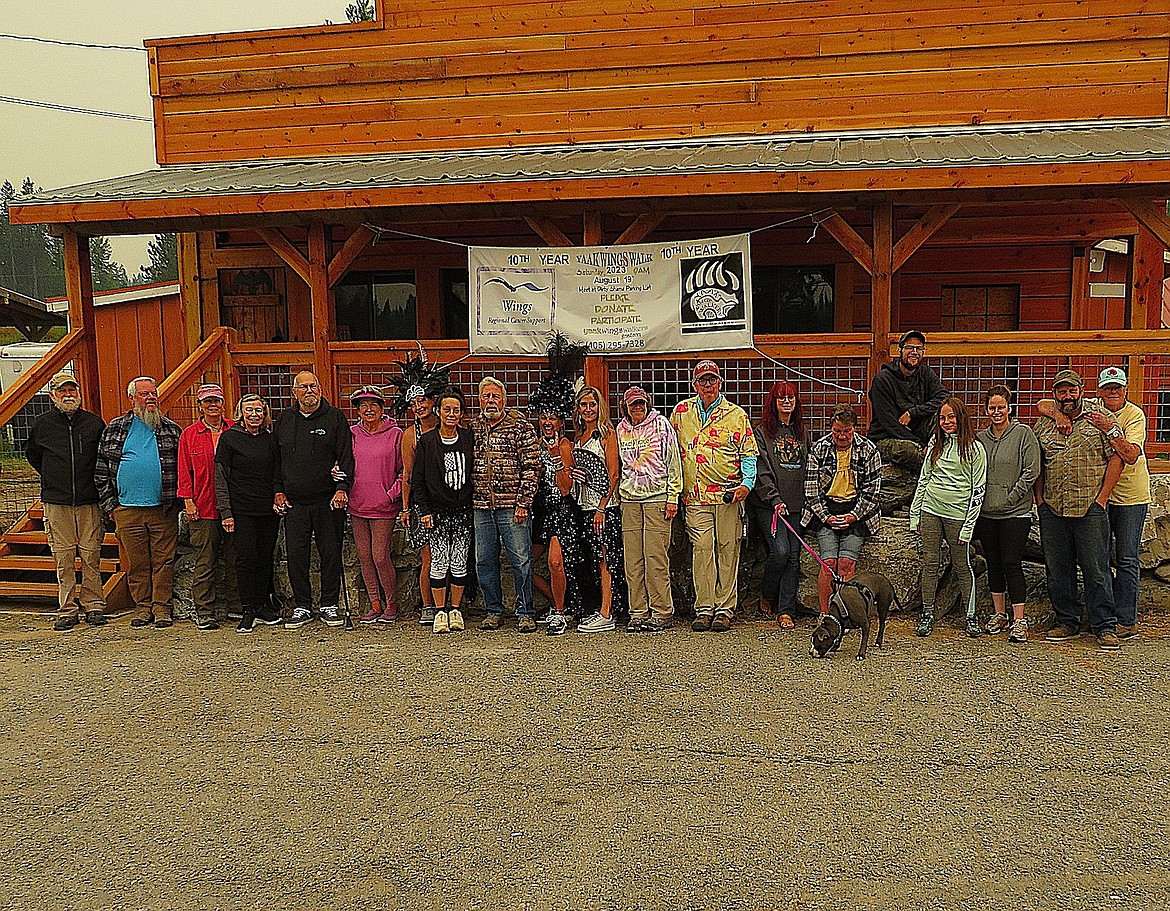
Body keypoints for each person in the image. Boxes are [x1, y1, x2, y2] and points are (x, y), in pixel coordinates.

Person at [1038, 366, 1149, 640]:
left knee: (1096, 568)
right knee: (1057, 568)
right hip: (1054, 506)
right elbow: (1037, 460)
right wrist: (1039, 499)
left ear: (1082, 391)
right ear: (1055, 394)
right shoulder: (1045, 422)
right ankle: (1067, 621)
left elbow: (1119, 457)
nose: (1067, 395)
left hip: (1090, 507)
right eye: (1061, 391)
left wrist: (1102, 498)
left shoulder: (1102, 418)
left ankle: (1105, 625)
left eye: (1072, 389)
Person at [670, 359, 758, 633]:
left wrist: (747, 484)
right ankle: (704, 608)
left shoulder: (736, 415)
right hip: (695, 497)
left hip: (728, 496)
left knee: (727, 550)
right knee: (702, 551)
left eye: (712, 380)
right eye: (702, 380)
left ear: (720, 382)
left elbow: (749, 454)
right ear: (694, 384)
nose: (707, 385)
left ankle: (724, 609)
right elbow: (671, 452)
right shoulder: (681, 412)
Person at [95, 376, 183, 628]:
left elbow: (183, 468)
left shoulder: (170, 429)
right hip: (127, 509)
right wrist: (111, 506)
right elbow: (101, 470)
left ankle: (162, 607)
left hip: (162, 508)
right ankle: (142, 607)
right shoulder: (115, 428)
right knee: (137, 563)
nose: (151, 398)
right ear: (132, 398)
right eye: (144, 394)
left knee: (164, 562)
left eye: (153, 393)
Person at [25, 372, 108, 631]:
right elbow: (34, 456)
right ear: (53, 395)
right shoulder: (42, 424)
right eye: (62, 391)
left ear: (79, 394)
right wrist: (54, 478)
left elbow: (102, 458)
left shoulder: (94, 424)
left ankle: (94, 604)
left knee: (91, 554)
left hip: (89, 499)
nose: (68, 395)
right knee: (63, 557)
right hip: (56, 501)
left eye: (72, 390)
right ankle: (67, 608)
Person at [272, 370, 354, 630]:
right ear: (294, 392)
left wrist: (342, 487)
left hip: (328, 500)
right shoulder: (284, 419)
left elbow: (345, 457)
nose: (309, 391)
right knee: (297, 555)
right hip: (294, 502)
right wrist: (278, 491)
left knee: (330, 552)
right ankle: (302, 605)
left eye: (313, 386)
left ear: (320, 389)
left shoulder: (334, 418)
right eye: (303, 387)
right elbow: (276, 461)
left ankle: (329, 604)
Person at [910, 397, 988, 638]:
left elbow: (979, 489)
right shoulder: (935, 443)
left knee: (962, 565)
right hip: (931, 510)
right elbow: (924, 478)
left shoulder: (975, 448)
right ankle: (927, 614)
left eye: (951, 417)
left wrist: (968, 527)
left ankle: (971, 616)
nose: (946, 422)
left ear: (961, 418)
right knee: (930, 563)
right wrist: (915, 514)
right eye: (942, 418)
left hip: (958, 515)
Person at [472, 376, 542, 632]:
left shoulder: (520, 426)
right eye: (486, 396)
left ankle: (525, 611)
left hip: (513, 507)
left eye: (495, 396)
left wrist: (523, 502)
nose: (491, 401)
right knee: (484, 561)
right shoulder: (474, 427)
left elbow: (532, 467)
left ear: (504, 399)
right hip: (481, 506)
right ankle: (493, 610)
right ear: (480, 400)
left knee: (521, 560)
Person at [527, 338, 587, 636]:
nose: (548, 422)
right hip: (538, 512)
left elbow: (565, 489)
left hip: (561, 512)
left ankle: (561, 613)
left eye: (553, 418)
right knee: (524, 561)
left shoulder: (565, 445)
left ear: (561, 422)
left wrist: (557, 458)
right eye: (544, 417)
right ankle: (558, 601)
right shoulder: (534, 444)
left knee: (554, 561)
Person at [801, 404, 882, 614]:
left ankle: (844, 613)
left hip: (857, 512)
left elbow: (872, 491)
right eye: (837, 431)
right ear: (831, 429)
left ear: (855, 429)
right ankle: (826, 615)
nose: (842, 436)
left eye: (847, 431)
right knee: (828, 563)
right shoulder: (819, 449)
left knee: (846, 564)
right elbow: (811, 490)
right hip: (825, 510)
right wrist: (825, 517)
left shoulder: (869, 450)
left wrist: (853, 516)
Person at [389, 348, 449, 627]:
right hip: (421, 504)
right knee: (429, 557)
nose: (418, 406)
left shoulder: (449, 428)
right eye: (413, 402)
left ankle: (450, 603)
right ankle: (428, 605)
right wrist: (405, 507)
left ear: (432, 400)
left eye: (422, 400)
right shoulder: (410, 435)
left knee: (450, 555)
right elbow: (408, 473)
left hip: (449, 500)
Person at [976, 385, 1041, 643]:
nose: (996, 412)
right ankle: (999, 613)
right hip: (987, 513)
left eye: (1001, 407)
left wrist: (1011, 497)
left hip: (1016, 513)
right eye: (992, 408)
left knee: (1012, 563)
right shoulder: (980, 438)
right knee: (993, 562)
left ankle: (1019, 619)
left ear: (1009, 408)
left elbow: (1031, 470)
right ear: (986, 410)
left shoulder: (1023, 434)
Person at [214, 394, 284, 633]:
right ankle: (247, 609)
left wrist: (278, 494)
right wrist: (226, 512)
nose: (254, 415)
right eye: (249, 410)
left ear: (264, 414)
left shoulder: (270, 439)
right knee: (246, 558)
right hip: (241, 508)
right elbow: (221, 477)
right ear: (241, 413)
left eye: (259, 410)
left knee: (265, 557)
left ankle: (262, 605)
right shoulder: (230, 439)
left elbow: (277, 471)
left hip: (267, 508)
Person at [615, 385, 681, 634]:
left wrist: (672, 496)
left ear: (648, 404)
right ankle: (638, 612)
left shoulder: (662, 425)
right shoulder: (620, 430)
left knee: (656, 558)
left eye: (642, 403)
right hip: (630, 500)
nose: (638, 408)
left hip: (657, 498)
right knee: (633, 560)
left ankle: (662, 611)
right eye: (633, 405)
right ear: (626, 407)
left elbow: (673, 460)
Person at [413, 386, 475, 634]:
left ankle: (456, 609)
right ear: (438, 412)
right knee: (439, 563)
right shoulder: (427, 442)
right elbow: (417, 480)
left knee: (459, 562)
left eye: (456, 410)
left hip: (462, 510)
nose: (451, 414)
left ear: (461, 414)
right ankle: (440, 611)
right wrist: (424, 510)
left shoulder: (469, 438)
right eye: (447, 409)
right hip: (436, 512)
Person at [177, 383, 239, 631]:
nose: (213, 405)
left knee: (235, 559)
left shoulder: (234, 429)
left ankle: (237, 607)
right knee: (206, 561)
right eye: (207, 401)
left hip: (234, 506)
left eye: (217, 401)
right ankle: (204, 611)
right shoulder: (189, 434)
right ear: (200, 406)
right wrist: (188, 501)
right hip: (203, 507)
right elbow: (184, 470)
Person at [747, 381, 807, 629]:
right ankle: (767, 594)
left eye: (791, 398)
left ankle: (786, 610)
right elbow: (762, 470)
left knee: (793, 556)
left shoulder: (801, 433)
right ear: (774, 402)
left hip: (796, 504)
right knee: (779, 551)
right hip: (769, 505)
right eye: (781, 398)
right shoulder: (762, 433)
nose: (786, 402)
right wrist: (774, 499)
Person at [573, 385, 629, 634]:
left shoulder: (607, 434)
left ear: (600, 407)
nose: (588, 409)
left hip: (604, 507)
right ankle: (599, 608)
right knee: (594, 559)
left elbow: (613, 473)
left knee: (606, 558)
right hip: (584, 505)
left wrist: (602, 507)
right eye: (583, 405)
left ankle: (608, 612)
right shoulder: (579, 437)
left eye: (592, 405)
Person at [347, 385, 403, 624]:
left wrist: (391, 495)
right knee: (364, 556)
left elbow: (404, 470)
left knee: (380, 556)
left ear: (382, 408)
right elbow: (343, 463)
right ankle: (374, 603)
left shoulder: (395, 434)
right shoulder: (351, 434)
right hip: (357, 505)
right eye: (363, 405)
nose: (368, 409)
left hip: (383, 507)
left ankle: (391, 603)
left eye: (373, 405)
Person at [867, 330, 948, 445]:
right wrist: (919, 444)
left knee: (943, 419)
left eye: (919, 348)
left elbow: (944, 398)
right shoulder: (883, 380)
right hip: (887, 436)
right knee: (910, 452)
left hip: (918, 434)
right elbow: (889, 423)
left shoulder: (926, 374)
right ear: (900, 350)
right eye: (910, 347)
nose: (915, 352)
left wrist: (913, 413)